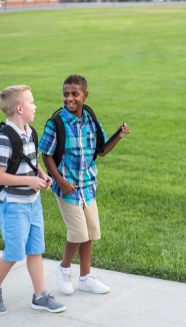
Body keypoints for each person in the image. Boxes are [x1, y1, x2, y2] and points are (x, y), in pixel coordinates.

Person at [39, 74, 130, 295]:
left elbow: (102, 150)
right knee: (78, 233)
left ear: (85, 95)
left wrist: (119, 135)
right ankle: (63, 268)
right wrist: (60, 181)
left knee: (89, 233)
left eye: (74, 94)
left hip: (88, 186)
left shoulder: (90, 118)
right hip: (67, 188)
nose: (69, 98)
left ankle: (85, 277)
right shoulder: (56, 123)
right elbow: (46, 154)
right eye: (65, 94)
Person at [0, 85, 66, 315]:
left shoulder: (30, 132)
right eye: (31, 102)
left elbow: (30, 160)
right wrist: (28, 182)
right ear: (20, 108)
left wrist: (41, 174)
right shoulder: (4, 139)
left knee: (35, 249)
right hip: (13, 205)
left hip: (33, 203)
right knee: (13, 252)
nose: (35, 106)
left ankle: (40, 296)